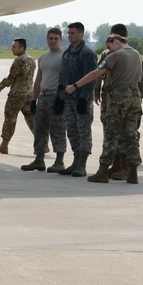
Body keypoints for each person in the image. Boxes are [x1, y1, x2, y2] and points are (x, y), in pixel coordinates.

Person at [64, 34, 143, 184]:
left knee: (111, 134)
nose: (108, 51)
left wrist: (74, 86)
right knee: (131, 135)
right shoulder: (136, 53)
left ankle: (102, 171)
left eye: (109, 47)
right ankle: (133, 171)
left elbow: (95, 73)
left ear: (115, 41)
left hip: (119, 98)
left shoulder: (115, 56)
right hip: (135, 96)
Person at [93, 23, 143, 179]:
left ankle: (117, 167)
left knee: (112, 132)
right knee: (127, 133)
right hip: (131, 96)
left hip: (113, 98)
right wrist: (141, 96)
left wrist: (96, 92)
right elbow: (142, 76)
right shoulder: (135, 53)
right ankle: (121, 167)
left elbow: (98, 74)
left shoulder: (109, 53)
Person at [22, 28, 67, 172]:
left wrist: (62, 98)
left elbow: (67, 78)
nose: (53, 41)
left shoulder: (64, 57)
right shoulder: (43, 58)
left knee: (57, 129)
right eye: (51, 38)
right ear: (47, 40)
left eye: (56, 38)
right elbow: (38, 80)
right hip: (43, 96)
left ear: (61, 40)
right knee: (39, 128)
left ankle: (59, 161)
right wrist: (33, 100)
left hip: (56, 96)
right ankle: (39, 159)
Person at [56, 22, 97, 177]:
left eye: (73, 33)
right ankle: (75, 161)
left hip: (81, 100)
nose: (69, 35)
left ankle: (82, 164)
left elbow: (92, 77)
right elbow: (63, 74)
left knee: (83, 132)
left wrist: (84, 98)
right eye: (69, 33)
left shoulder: (87, 53)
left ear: (81, 34)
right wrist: (59, 97)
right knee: (72, 131)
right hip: (68, 99)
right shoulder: (67, 52)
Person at [0, 38, 35, 154]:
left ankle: (4, 145)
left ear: (22, 48)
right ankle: (42, 144)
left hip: (17, 94)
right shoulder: (31, 59)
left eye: (14, 46)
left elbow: (11, 78)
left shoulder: (19, 61)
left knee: (10, 118)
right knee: (31, 119)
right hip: (29, 93)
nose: (12, 48)